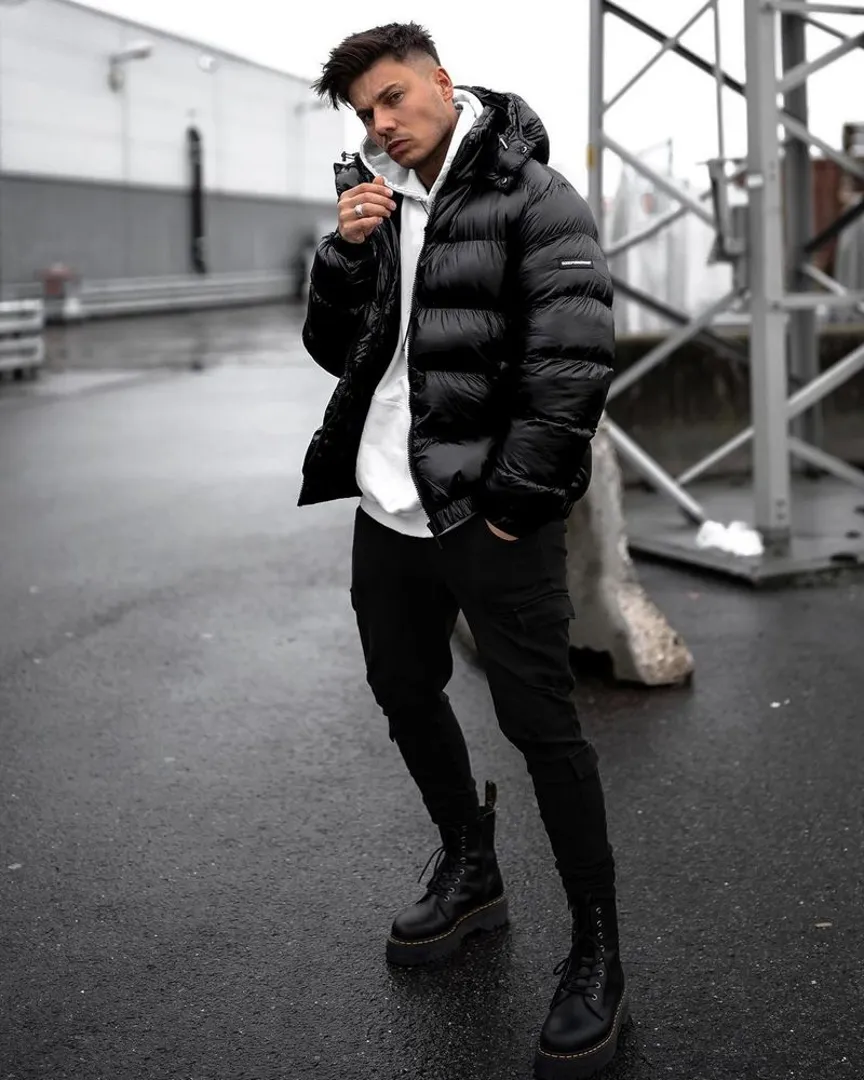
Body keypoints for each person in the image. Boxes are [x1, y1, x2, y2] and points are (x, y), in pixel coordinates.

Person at [299, 22, 625, 1079]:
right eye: (365, 114)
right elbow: (336, 351)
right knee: (403, 688)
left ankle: (597, 950)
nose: (381, 125)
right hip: (389, 508)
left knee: (543, 730)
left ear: (442, 81)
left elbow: (573, 364)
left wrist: (512, 510)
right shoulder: (378, 205)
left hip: (489, 515)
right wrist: (344, 257)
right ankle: (472, 866)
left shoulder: (536, 198)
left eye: (393, 98)